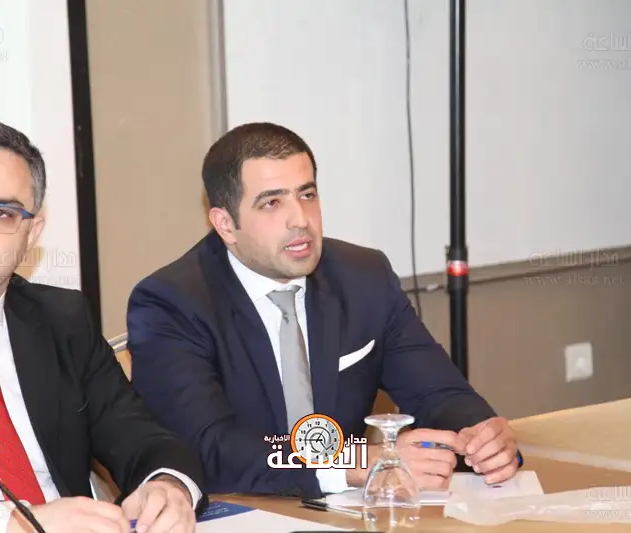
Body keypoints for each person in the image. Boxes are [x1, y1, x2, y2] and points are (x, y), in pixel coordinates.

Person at [126, 122, 523, 499]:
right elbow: (209, 448)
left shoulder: (363, 277)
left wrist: (480, 435)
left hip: (347, 510)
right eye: (271, 203)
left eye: (307, 195)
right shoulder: (172, 303)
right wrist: (351, 462)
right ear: (226, 225)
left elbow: (438, 392)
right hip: (240, 510)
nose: (300, 220)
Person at [0, 116, 207, 533]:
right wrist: (9, 524)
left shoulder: (62, 318)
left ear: (32, 232)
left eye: (1, 212)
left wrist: (168, 485)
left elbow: (142, 437)